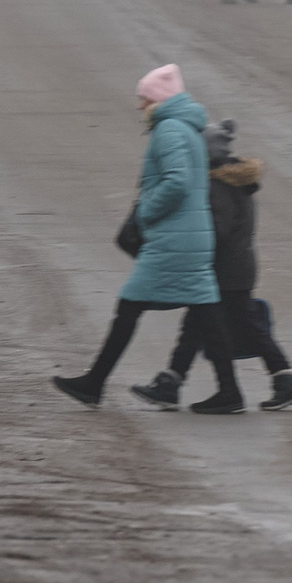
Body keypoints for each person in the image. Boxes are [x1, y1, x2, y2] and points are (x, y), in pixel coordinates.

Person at [52, 65, 244, 414]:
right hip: (191, 236)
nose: (140, 106)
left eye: (144, 99)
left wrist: (146, 213)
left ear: (158, 99)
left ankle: (93, 383)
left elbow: (177, 181)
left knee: (130, 305)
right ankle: (230, 392)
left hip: (174, 238)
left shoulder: (169, 129)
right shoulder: (188, 128)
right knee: (207, 312)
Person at [131, 118, 292, 411]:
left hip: (224, 270)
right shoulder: (234, 178)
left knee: (238, 326)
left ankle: (277, 382)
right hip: (235, 267)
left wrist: (186, 242)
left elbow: (217, 231)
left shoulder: (216, 185)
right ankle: (171, 383)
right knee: (199, 325)